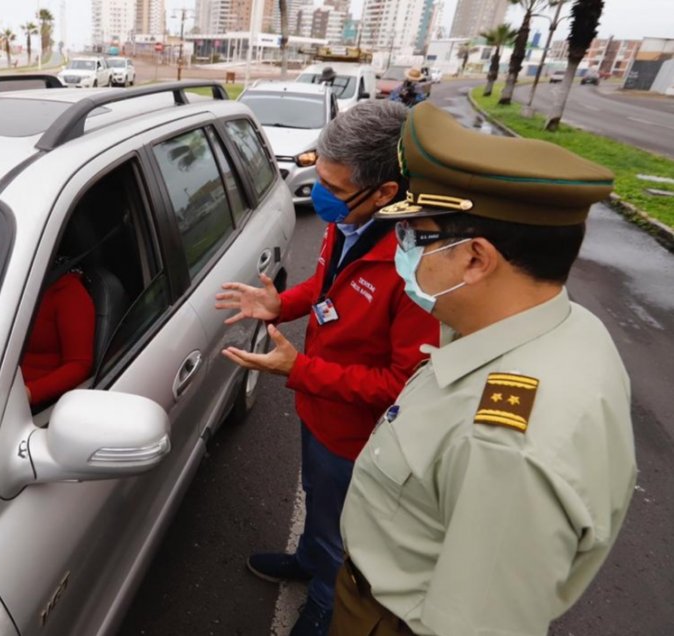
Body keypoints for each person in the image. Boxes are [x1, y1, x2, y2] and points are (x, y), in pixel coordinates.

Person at [329, 102, 635, 635]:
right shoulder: (557, 325)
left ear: (474, 258)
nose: (401, 249)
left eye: (414, 236)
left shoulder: (504, 445)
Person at [215, 101, 439, 636]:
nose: (321, 196)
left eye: (334, 190)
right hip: (321, 411)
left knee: (348, 530)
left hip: (361, 436)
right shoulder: (351, 220)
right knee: (319, 499)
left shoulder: (420, 270)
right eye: (321, 178)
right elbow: (326, 287)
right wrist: (281, 305)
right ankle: (310, 561)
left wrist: (300, 369)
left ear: (386, 192)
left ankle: (324, 603)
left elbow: (400, 386)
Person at [21, 270, 95, 408]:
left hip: (34, 404)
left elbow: (79, 364)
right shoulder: (7, 284)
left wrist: (29, 393)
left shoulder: (69, 292)